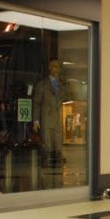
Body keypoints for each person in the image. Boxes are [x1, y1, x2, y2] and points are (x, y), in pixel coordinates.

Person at [32, 58, 65, 186]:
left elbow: (63, 100)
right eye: (54, 66)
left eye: (58, 67)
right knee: (47, 147)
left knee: (57, 147)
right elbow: (37, 103)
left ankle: (56, 178)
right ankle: (46, 180)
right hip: (46, 120)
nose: (57, 69)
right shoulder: (42, 85)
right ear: (50, 68)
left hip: (57, 120)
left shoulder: (61, 85)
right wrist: (36, 120)